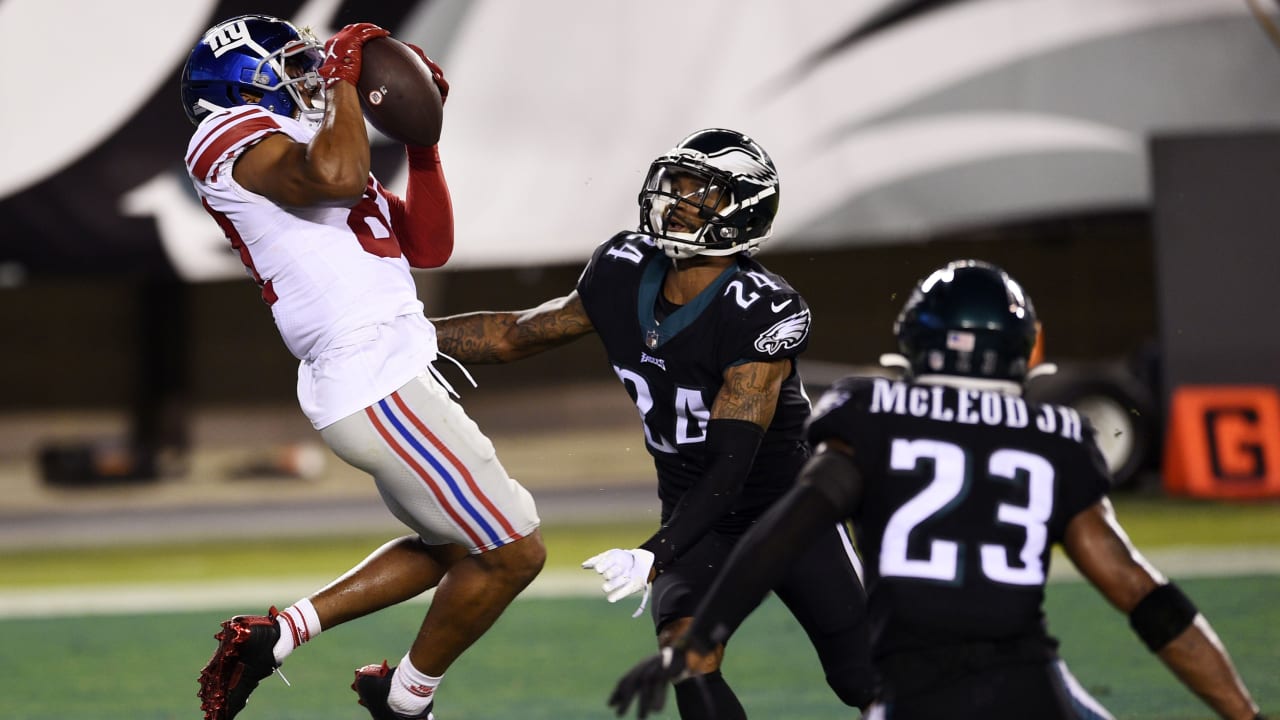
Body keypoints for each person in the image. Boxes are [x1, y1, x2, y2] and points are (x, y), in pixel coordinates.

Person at [608, 259, 1268, 720]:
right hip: (1028, 687)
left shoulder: (870, 413)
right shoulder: (1058, 432)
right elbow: (1141, 593)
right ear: (1023, 349)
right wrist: (1242, 711)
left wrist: (700, 637)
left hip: (913, 694)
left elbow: (785, 530)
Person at [428, 128, 875, 718]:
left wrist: (655, 552)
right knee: (686, 654)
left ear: (743, 212)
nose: (679, 201)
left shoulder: (763, 308)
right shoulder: (623, 267)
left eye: (701, 193)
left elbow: (732, 464)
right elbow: (516, 333)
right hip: (697, 511)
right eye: (678, 184)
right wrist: (403, 338)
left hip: (790, 513)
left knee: (862, 679)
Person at [181, 15, 545, 720]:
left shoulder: (305, 147)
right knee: (515, 553)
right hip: (375, 377)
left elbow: (429, 244)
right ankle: (404, 699)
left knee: (452, 546)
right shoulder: (225, 134)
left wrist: (424, 145)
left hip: (382, 375)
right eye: (293, 65)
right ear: (241, 80)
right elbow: (338, 175)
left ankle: (279, 635)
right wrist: (349, 80)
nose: (313, 76)